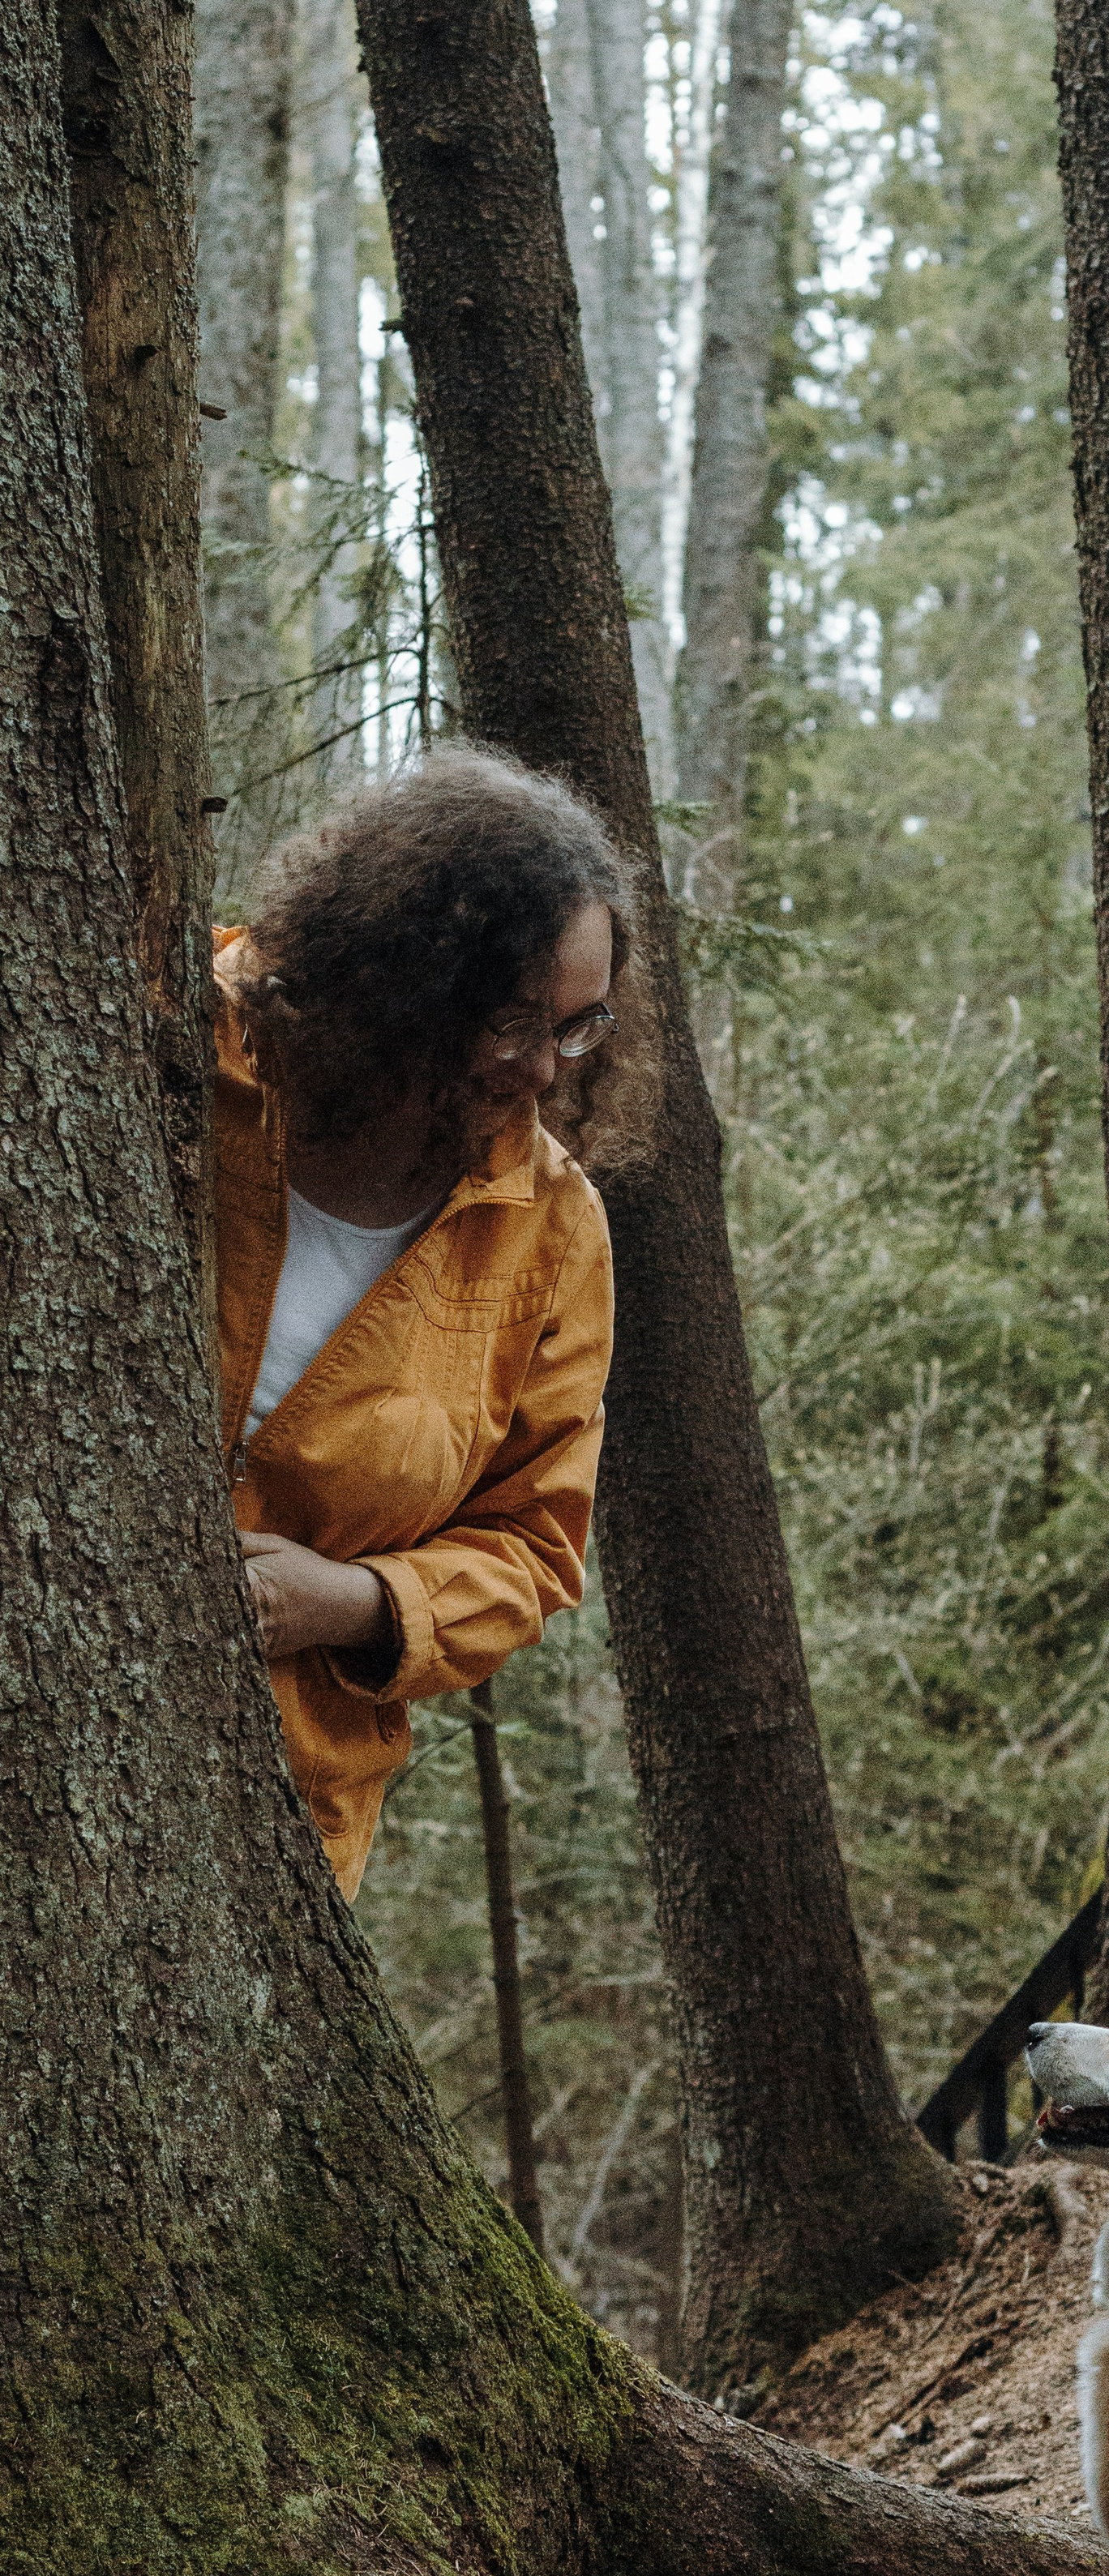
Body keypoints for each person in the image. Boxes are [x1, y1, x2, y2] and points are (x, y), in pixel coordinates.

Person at [213, 744, 649, 1898]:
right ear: (398, 980)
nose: (550, 1069)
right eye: (514, 1021)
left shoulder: (553, 1235)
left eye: (582, 1026)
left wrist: (351, 1603)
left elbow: (534, 1546)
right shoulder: (193, 1052)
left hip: (274, 1813)